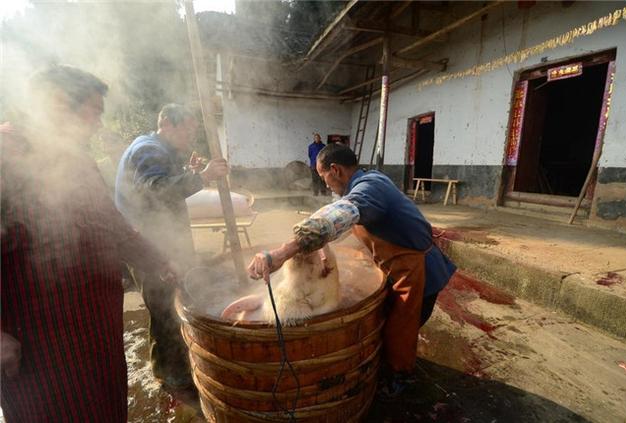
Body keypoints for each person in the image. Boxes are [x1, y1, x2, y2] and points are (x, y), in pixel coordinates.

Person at [1, 65, 175, 422]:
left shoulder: (76, 159)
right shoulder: (7, 153)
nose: (98, 123)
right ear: (58, 103)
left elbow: (110, 225)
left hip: (94, 333)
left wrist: (161, 262)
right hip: (39, 346)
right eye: (94, 111)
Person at [248, 143, 456, 400]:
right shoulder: (363, 183)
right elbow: (336, 220)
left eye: (322, 176)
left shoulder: (370, 188)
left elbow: (341, 214)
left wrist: (280, 254)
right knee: (386, 322)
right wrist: (317, 249)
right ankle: (391, 363)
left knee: (399, 328)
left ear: (334, 170)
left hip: (418, 271)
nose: (324, 184)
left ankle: (401, 378)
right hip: (397, 268)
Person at [115, 103, 228, 389]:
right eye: (186, 128)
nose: (191, 135)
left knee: (173, 302)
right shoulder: (148, 149)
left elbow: (165, 181)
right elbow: (157, 190)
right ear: (166, 122)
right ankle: (169, 377)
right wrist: (202, 176)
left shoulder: (158, 149)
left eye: (193, 128)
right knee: (164, 309)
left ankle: (174, 366)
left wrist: (190, 171)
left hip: (161, 241)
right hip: (150, 246)